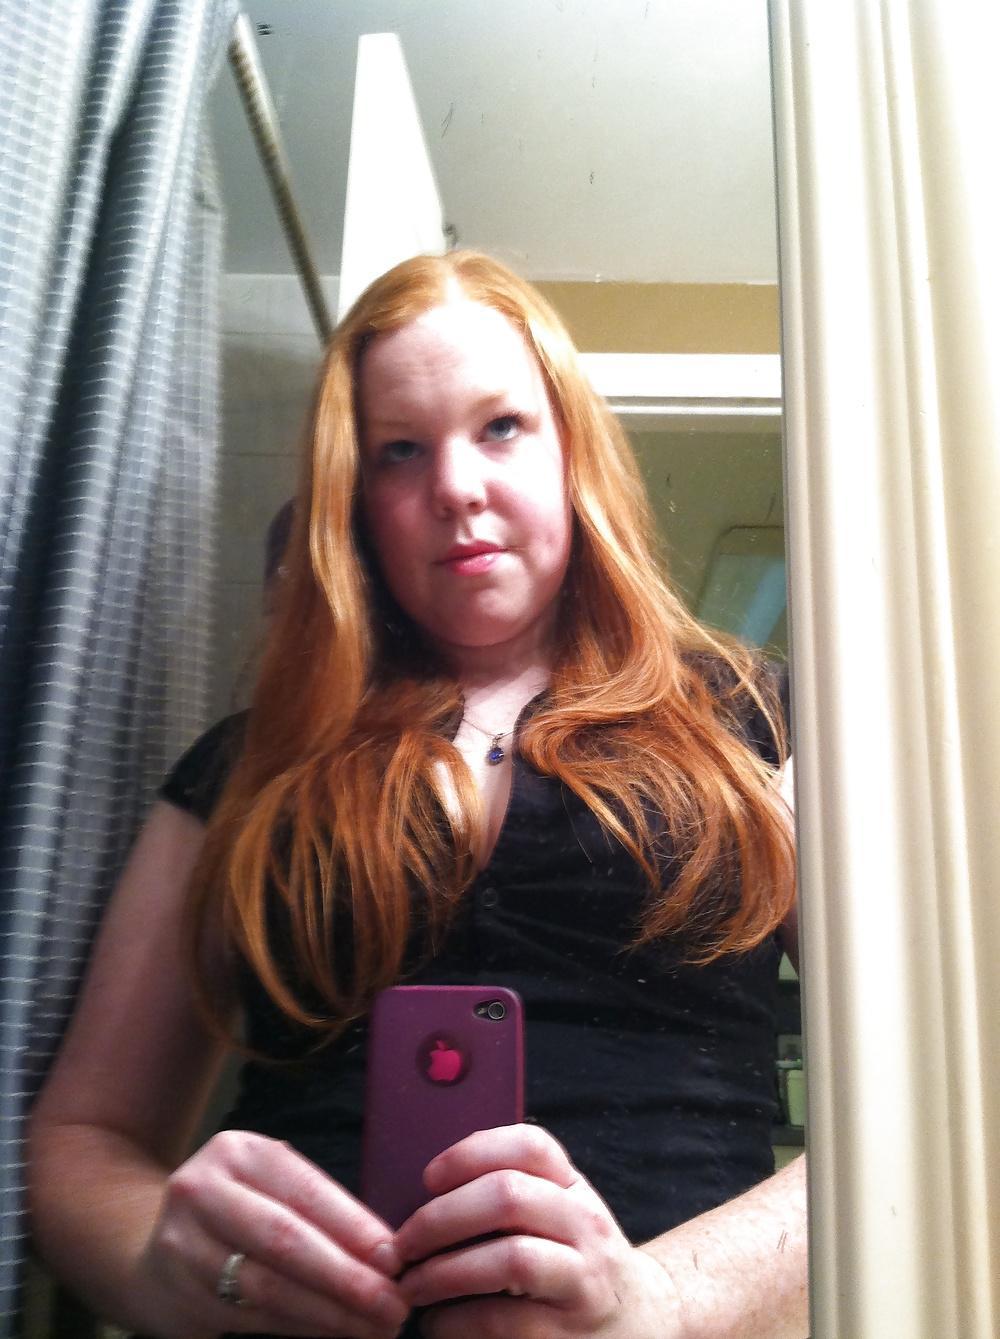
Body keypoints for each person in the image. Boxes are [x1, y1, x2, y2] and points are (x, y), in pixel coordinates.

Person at [28, 250, 808, 1339]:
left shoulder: (760, 721)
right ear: (355, 499)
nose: (455, 487)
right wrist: (164, 1264)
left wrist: (667, 1299)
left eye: (501, 427)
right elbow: (81, 1141)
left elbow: (930, 1095)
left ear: (571, 449)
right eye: (400, 450)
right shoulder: (249, 765)